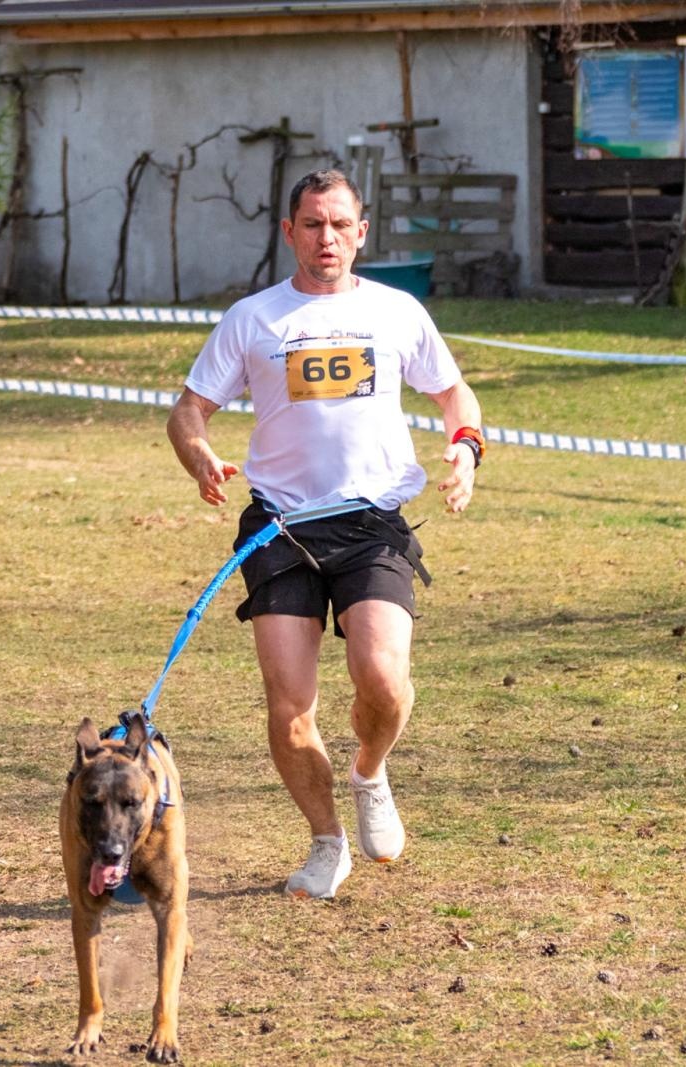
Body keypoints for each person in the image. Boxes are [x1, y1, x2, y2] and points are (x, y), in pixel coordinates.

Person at [165, 169, 483, 899]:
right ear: (289, 232)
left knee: (384, 680)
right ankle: (326, 840)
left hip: (372, 523)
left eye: (340, 224)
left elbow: (453, 392)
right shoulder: (253, 318)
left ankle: (370, 769)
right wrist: (199, 456)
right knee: (290, 706)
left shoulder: (398, 311)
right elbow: (188, 412)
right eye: (312, 224)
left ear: (362, 232)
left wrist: (465, 448)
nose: (327, 237)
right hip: (280, 524)